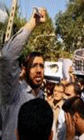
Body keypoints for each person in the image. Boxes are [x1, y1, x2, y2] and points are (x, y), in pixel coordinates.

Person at [0, 7, 46, 140]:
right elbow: (7, 57)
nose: (39, 70)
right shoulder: (13, 93)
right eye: (34, 66)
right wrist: (33, 23)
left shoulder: (42, 98)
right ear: (24, 69)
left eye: (41, 66)